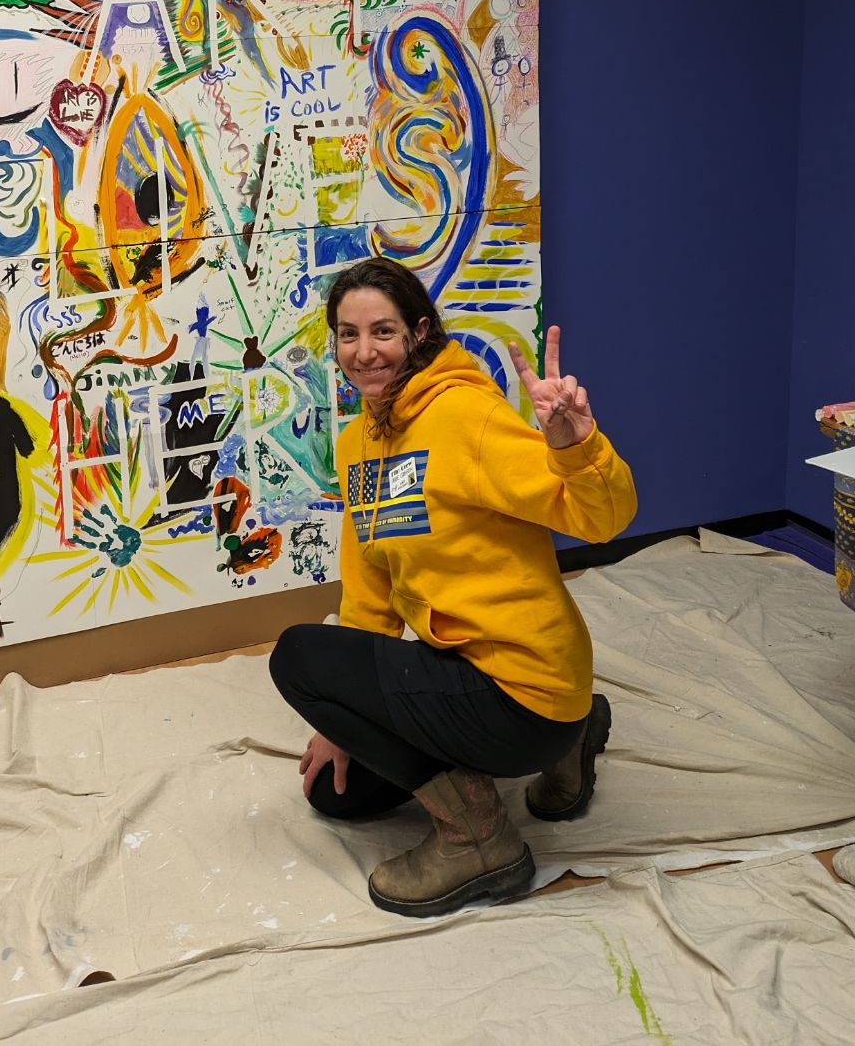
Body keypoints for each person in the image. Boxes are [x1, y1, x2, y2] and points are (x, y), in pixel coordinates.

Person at [268, 256, 636, 918]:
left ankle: (480, 840)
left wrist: (576, 446)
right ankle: (573, 737)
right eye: (347, 334)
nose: (364, 351)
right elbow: (370, 586)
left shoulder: (467, 417)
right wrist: (336, 714)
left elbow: (598, 517)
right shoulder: (357, 443)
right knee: (335, 794)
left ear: (417, 332)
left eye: (382, 330)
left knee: (296, 653)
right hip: (459, 669)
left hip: (523, 687)